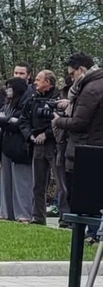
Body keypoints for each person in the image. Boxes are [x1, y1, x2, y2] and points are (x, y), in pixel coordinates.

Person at [53, 52, 103, 243]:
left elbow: (80, 122)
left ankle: (92, 234)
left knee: (85, 198)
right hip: (95, 146)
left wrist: (60, 121)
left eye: (72, 74)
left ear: (81, 69)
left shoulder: (91, 89)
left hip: (85, 149)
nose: (71, 78)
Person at [0, 77, 35, 222]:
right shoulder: (7, 104)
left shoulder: (26, 103)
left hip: (21, 148)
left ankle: (23, 214)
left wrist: (7, 120)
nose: (7, 90)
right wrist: (8, 120)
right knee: (6, 181)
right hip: (6, 146)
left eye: (10, 87)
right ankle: (6, 212)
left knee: (22, 182)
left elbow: (20, 123)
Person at [24, 70, 61, 225]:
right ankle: (38, 216)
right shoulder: (32, 99)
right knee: (38, 184)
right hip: (37, 145)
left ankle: (66, 218)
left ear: (48, 82)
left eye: (39, 80)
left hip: (54, 144)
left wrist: (47, 134)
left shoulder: (59, 99)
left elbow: (62, 121)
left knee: (61, 182)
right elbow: (23, 120)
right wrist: (29, 135)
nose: (35, 82)